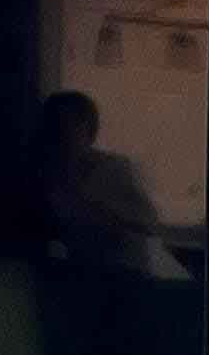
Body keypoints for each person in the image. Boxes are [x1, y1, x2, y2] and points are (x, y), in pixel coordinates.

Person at [33, 90, 160, 276]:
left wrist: (102, 214)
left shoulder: (118, 169)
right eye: (58, 127)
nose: (67, 134)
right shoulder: (47, 177)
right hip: (81, 276)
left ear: (90, 130)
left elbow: (148, 223)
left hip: (125, 276)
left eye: (74, 125)